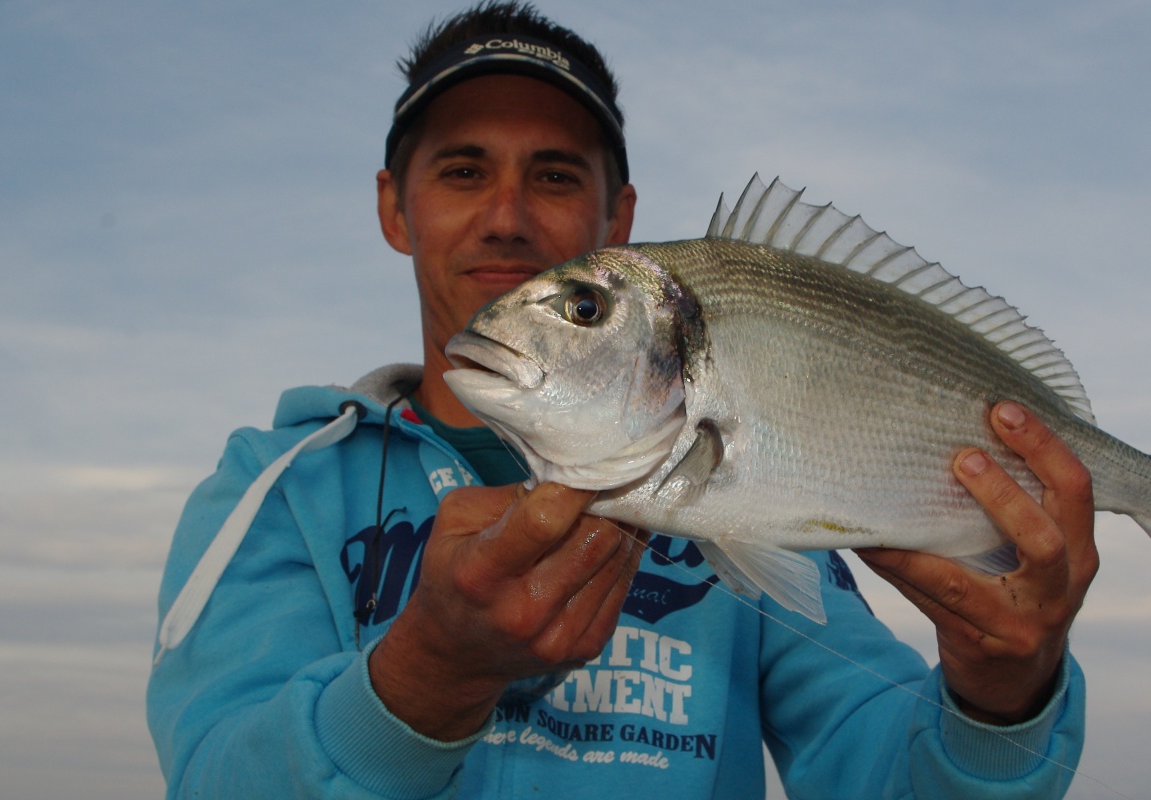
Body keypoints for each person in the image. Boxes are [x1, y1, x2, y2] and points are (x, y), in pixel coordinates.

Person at [146, 2, 1098, 797]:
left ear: (622, 219)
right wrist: (429, 673)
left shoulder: (744, 513)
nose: (509, 215)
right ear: (397, 207)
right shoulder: (273, 494)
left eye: (555, 175)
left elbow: (889, 768)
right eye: (464, 169)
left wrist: (1002, 695)